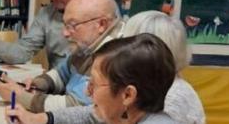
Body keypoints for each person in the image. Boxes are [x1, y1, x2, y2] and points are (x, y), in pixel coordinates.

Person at [22, 11, 205, 124]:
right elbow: (93, 114)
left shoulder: (170, 100)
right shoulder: (137, 107)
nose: (88, 92)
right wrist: (43, 119)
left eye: (127, 40)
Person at [0, 0, 123, 112]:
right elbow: (62, 73)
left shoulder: (115, 57)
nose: (65, 33)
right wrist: (37, 84)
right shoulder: (89, 44)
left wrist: (21, 97)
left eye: (72, 25)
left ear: (101, 25)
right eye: (65, 25)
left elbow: (76, 108)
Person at [6, 34, 180, 124]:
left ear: (127, 95)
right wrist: (36, 119)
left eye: (93, 85)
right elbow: (89, 115)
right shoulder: (126, 114)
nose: (87, 92)